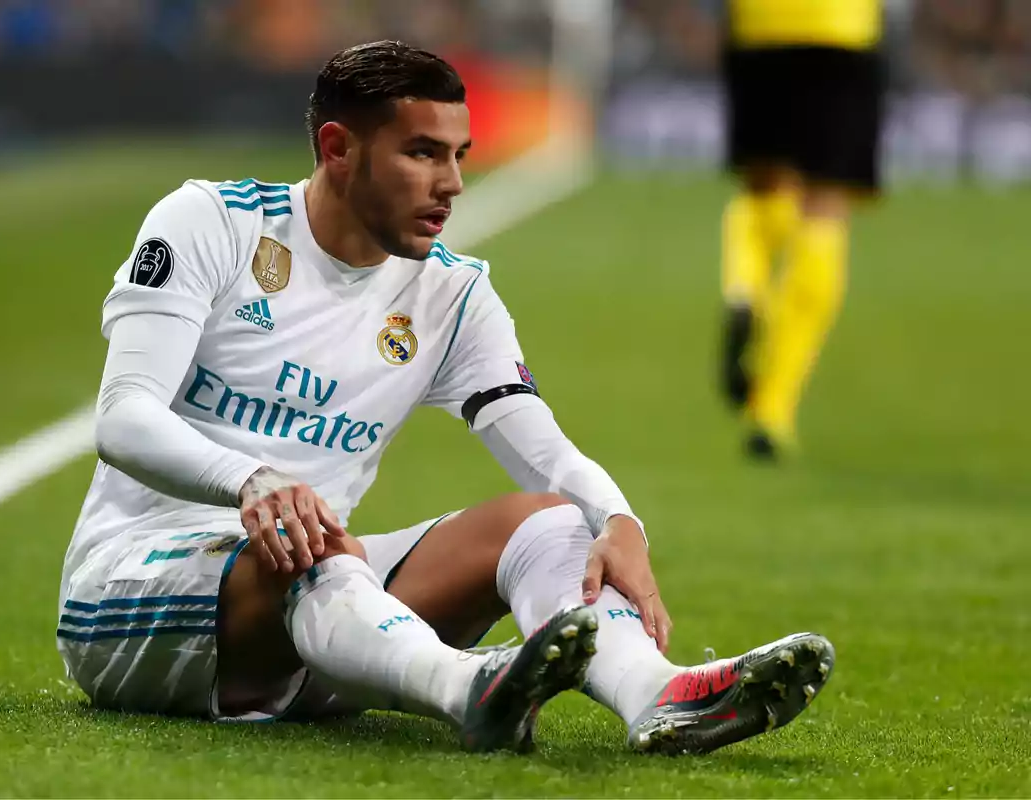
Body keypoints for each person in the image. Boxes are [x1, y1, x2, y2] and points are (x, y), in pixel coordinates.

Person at [56, 40, 835, 755]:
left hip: (325, 609)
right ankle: (470, 687)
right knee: (316, 547)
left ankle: (657, 696)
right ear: (338, 148)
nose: (453, 184)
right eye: (422, 153)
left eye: (459, 155)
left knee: (551, 523)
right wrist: (251, 482)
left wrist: (619, 519)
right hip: (132, 601)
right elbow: (124, 417)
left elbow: (545, 451)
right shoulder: (212, 225)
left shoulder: (452, 295)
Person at [718, 0, 885, 458]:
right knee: (824, 208)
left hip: (760, 27)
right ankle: (771, 410)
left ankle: (744, 288)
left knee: (764, 189)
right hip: (838, 28)